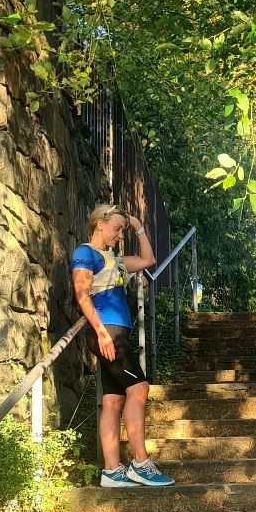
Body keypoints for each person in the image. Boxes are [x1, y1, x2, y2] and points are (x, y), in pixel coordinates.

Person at [71, 204, 175, 488]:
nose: (120, 234)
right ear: (99, 224)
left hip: (117, 333)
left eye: (122, 229)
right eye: (117, 228)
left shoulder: (113, 260)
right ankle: (140, 464)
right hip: (108, 333)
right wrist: (102, 333)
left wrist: (138, 225)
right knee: (139, 388)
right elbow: (82, 295)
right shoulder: (85, 254)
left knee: (113, 400)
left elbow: (148, 259)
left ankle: (112, 471)